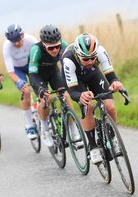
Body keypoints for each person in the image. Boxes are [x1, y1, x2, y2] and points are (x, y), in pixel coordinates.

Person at [61, 33, 124, 164]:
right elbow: (72, 91)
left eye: (92, 58)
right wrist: (80, 95)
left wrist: (115, 82)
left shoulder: (100, 51)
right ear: (78, 55)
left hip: (93, 74)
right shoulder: (68, 60)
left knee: (110, 106)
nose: (90, 62)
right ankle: (92, 145)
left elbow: (111, 75)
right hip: (76, 79)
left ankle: (112, 137)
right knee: (87, 106)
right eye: (85, 59)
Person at [28, 25, 79, 147]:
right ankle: (45, 129)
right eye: (51, 48)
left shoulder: (64, 45)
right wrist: (40, 89)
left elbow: (69, 65)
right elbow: (32, 74)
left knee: (66, 96)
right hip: (38, 76)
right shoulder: (36, 49)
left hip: (53, 72)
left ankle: (74, 130)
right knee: (46, 99)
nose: (55, 50)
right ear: (43, 44)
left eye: (57, 46)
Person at [3, 24, 38, 140]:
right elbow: (11, 72)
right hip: (17, 69)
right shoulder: (7, 47)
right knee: (25, 91)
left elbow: (40, 59)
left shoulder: (31, 40)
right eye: (13, 42)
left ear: (22, 35)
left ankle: (38, 107)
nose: (17, 44)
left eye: (18, 40)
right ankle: (29, 126)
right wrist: (19, 82)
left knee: (39, 88)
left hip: (31, 65)